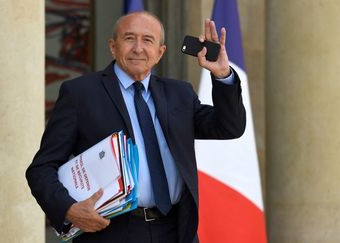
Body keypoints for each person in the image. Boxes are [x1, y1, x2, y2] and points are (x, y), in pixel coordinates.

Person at [26, 11, 246, 243]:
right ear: (113, 46)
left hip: (175, 230)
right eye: (129, 38)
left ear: (160, 53)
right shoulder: (80, 94)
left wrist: (223, 75)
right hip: (110, 232)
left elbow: (229, 127)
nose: (138, 48)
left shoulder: (179, 94)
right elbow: (41, 169)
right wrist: (69, 209)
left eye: (148, 40)